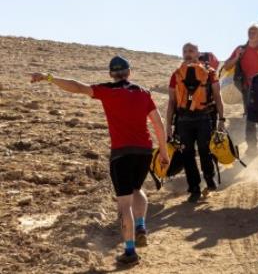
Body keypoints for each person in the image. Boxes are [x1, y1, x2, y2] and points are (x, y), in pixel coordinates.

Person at [30, 56, 169, 265]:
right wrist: (164, 152)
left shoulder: (107, 91)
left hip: (121, 153)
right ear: (129, 73)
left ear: (111, 74)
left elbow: (77, 87)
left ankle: (130, 252)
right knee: (136, 188)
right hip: (144, 151)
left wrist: (49, 77)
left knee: (124, 204)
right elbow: (158, 124)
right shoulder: (143, 93)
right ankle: (140, 225)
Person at [166, 43, 225, 203]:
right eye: (185, 51)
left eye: (191, 51)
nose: (188, 53)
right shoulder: (176, 75)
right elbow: (171, 102)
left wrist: (222, 119)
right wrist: (168, 127)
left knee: (205, 149)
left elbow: (218, 98)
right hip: (183, 120)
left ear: (198, 53)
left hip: (203, 118)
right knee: (187, 154)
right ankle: (194, 188)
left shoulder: (210, 73)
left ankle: (209, 178)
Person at [223, 24, 258, 156]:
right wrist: (236, 57)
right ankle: (251, 147)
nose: (251, 33)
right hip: (247, 88)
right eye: (249, 31)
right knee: (250, 118)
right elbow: (227, 66)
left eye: (254, 31)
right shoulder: (241, 49)